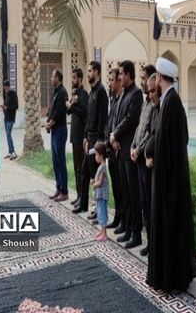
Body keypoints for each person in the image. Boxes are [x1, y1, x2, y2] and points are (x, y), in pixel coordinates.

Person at [146, 57, 196, 293]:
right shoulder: (169, 101)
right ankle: (168, 278)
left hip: (171, 182)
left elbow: (175, 143)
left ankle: (174, 280)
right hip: (167, 179)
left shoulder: (172, 103)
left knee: (172, 230)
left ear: (159, 78)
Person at [111, 60, 143, 249]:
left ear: (129, 75)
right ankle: (128, 227)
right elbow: (117, 119)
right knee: (124, 192)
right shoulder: (123, 94)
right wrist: (113, 137)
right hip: (119, 151)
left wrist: (115, 134)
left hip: (129, 152)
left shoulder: (136, 94)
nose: (120, 76)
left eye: (122, 73)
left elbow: (130, 119)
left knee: (133, 194)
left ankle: (136, 233)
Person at [131, 64, 157, 256]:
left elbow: (149, 133)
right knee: (143, 202)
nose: (141, 81)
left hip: (145, 160)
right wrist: (133, 146)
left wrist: (138, 150)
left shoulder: (155, 105)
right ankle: (149, 240)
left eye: (143, 78)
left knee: (149, 202)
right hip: (138, 157)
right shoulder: (145, 103)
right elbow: (139, 128)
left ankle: (153, 242)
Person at [77, 61, 108, 215]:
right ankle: (83, 204)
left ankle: (98, 209)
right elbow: (88, 118)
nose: (88, 73)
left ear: (97, 72)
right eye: (88, 70)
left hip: (96, 139)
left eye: (90, 71)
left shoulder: (101, 92)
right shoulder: (92, 92)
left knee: (96, 174)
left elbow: (102, 119)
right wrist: (85, 137)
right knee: (84, 171)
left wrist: (98, 144)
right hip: (89, 138)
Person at [103, 68, 124, 227]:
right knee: (116, 188)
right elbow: (110, 122)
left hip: (119, 149)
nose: (109, 83)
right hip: (111, 148)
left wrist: (115, 138)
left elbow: (124, 123)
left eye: (112, 80)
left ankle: (123, 220)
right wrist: (107, 141)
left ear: (118, 81)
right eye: (109, 80)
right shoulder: (114, 99)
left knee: (122, 189)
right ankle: (118, 218)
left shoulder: (124, 98)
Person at [67, 68, 89, 210]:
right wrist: (70, 105)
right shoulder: (75, 94)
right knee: (76, 167)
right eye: (72, 77)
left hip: (81, 136)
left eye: (75, 78)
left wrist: (73, 106)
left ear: (80, 79)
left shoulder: (84, 94)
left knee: (81, 168)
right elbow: (69, 111)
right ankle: (78, 195)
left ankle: (83, 198)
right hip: (74, 136)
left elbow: (84, 112)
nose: (73, 80)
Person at [46, 68, 69, 202]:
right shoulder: (55, 92)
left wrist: (50, 124)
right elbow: (51, 110)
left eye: (53, 76)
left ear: (58, 78)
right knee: (55, 161)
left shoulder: (62, 92)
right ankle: (58, 188)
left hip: (60, 130)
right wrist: (48, 122)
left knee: (60, 161)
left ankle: (64, 191)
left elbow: (59, 112)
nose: (51, 78)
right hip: (54, 130)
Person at [92, 141, 110, 242]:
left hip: (102, 195)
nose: (95, 157)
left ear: (101, 156)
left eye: (96, 155)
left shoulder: (103, 167)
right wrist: (94, 181)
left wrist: (94, 184)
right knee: (99, 212)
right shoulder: (100, 166)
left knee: (102, 213)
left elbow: (100, 182)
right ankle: (102, 231)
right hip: (99, 195)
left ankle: (104, 234)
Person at [0, 80, 18, 160]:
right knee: (7, 135)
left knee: (8, 134)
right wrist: (3, 108)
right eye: (4, 89)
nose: (5, 90)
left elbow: (16, 106)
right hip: (6, 117)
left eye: (6, 88)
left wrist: (7, 108)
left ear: (9, 87)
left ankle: (13, 152)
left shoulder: (13, 94)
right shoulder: (6, 94)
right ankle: (10, 152)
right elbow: (6, 105)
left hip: (11, 117)